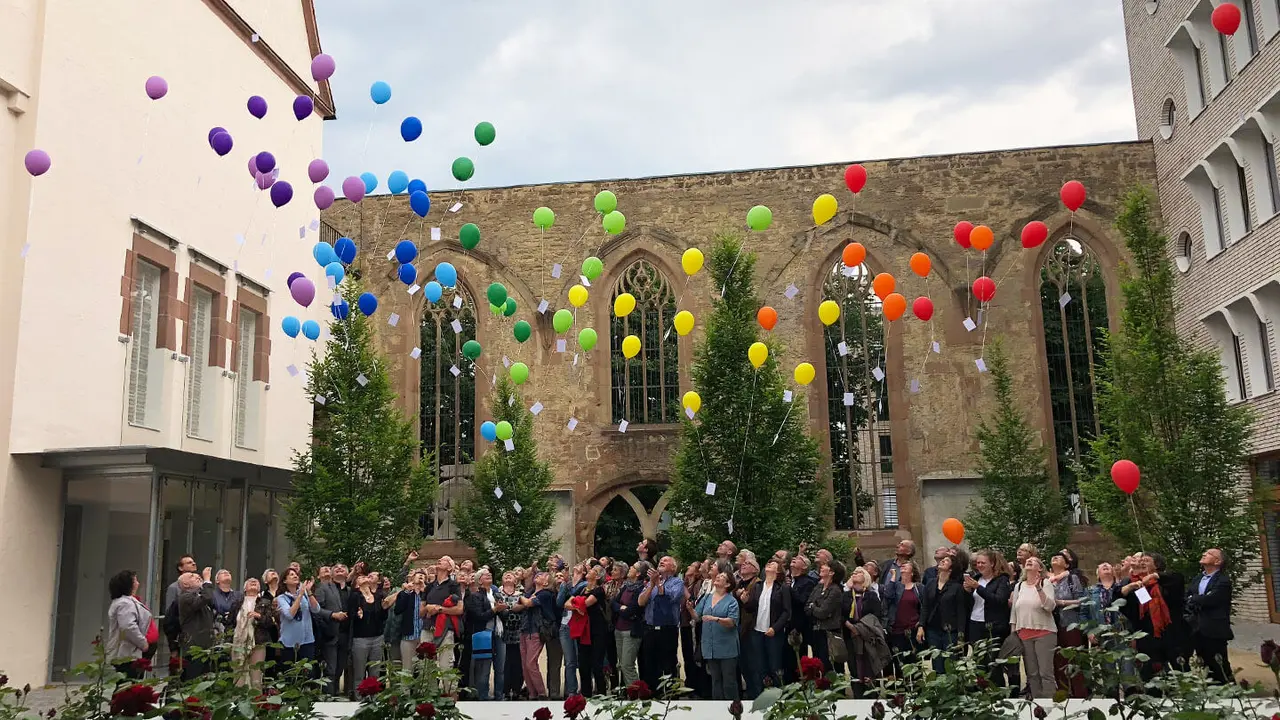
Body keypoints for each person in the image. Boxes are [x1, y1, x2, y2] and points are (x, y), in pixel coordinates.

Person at [1008, 557, 1057, 699]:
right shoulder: (1019, 586)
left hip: (1045, 633)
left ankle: (1051, 705)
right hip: (1024, 634)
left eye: (1033, 561)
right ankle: (1038, 706)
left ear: (1040, 568)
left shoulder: (1045, 583)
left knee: (1045, 672)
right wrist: (1013, 633)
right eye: (1027, 561)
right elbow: (1014, 612)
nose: (1029, 561)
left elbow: (1050, 607)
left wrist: (1038, 588)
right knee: (1032, 674)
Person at [964, 550, 1012, 687]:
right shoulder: (976, 578)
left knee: (992, 663)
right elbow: (970, 603)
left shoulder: (1002, 580)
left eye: (983, 563)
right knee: (978, 661)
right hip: (975, 623)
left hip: (993, 626)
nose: (979, 565)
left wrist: (978, 588)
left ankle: (998, 692)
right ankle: (982, 692)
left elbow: (999, 600)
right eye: (977, 563)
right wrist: (967, 591)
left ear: (992, 563)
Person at [1185, 548, 1234, 684]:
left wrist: (1194, 598)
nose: (1204, 554)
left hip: (1214, 629)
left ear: (1218, 561)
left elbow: (1211, 600)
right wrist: (1196, 598)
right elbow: (1187, 596)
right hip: (1197, 628)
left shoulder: (1223, 581)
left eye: (1209, 554)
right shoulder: (1197, 578)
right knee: (1204, 664)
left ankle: (1230, 691)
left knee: (1219, 664)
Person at [639, 556, 685, 690]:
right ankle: (652, 695)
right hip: (650, 629)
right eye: (660, 561)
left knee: (668, 664)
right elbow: (641, 602)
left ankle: (670, 697)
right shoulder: (651, 583)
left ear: (673, 567)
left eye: (666, 561)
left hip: (667, 629)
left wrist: (658, 583)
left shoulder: (677, 582)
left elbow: (670, 597)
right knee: (650, 665)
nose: (661, 562)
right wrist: (652, 585)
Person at [694, 571, 740, 701]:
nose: (718, 577)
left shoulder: (732, 601)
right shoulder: (707, 597)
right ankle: (718, 708)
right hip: (710, 646)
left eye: (722, 577)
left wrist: (716, 619)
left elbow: (732, 622)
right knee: (715, 680)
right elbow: (697, 616)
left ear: (728, 584)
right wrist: (690, 609)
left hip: (727, 647)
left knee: (729, 681)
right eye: (718, 576)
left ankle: (733, 708)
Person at [748, 559, 792, 694]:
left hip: (773, 632)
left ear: (778, 571)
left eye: (773, 564)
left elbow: (787, 612)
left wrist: (775, 628)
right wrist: (745, 601)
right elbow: (752, 608)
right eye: (768, 563)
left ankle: (778, 696)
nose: (768, 564)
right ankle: (761, 695)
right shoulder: (758, 586)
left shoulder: (782, 587)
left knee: (775, 666)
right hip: (757, 631)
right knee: (760, 666)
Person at [916, 553, 966, 673]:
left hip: (950, 630)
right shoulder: (931, 583)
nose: (942, 561)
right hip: (933, 629)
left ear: (951, 568)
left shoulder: (957, 587)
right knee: (936, 662)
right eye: (942, 559)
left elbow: (961, 612)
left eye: (947, 560)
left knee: (950, 662)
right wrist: (921, 626)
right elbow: (925, 607)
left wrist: (961, 635)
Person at [1049, 549, 1087, 698]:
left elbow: (1082, 600)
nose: (1055, 558)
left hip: (1071, 624)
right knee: (1058, 662)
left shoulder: (1072, 578)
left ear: (1066, 564)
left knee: (1074, 659)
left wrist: (1062, 602)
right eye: (1053, 556)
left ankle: (1080, 695)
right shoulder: (1047, 581)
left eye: (1059, 557)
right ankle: (1064, 695)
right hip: (1053, 626)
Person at [231, 577, 277, 689]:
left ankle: (256, 702)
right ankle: (238, 702)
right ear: (244, 588)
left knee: (256, 675)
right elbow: (230, 622)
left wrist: (259, 616)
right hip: (238, 643)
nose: (253, 582)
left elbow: (271, 622)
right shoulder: (237, 602)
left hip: (258, 641)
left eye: (256, 582)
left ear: (259, 588)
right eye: (250, 582)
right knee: (238, 673)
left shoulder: (265, 602)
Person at [106, 570, 152, 678]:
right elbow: (128, 627)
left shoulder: (125, 602)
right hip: (126, 652)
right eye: (135, 580)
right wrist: (142, 643)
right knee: (127, 685)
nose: (138, 583)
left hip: (129, 652)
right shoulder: (125, 603)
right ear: (129, 585)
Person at [519, 570, 557, 700]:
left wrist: (521, 597)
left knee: (531, 663)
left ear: (546, 582)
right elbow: (522, 603)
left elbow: (528, 603)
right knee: (524, 664)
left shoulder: (545, 593)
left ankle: (541, 693)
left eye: (542, 575)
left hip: (536, 631)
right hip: (524, 629)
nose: (538, 575)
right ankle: (532, 693)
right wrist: (524, 599)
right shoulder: (531, 593)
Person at [347, 571, 390, 684]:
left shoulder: (378, 595)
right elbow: (350, 615)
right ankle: (359, 699)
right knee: (359, 673)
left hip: (377, 638)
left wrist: (385, 609)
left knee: (375, 672)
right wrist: (357, 615)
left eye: (365, 576)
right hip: (360, 639)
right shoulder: (355, 595)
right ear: (356, 583)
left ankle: (373, 698)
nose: (364, 577)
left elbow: (383, 617)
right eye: (360, 578)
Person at [275, 567, 320, 672]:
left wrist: (308, 592)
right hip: (289, 643)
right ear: (285, 580)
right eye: (291, 574)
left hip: (307, 640)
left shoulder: (305, 594)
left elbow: (316, 609)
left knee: (308, 673)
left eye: (296, 574)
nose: (295, 576)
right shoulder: (282, 598)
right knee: (290, 673)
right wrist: (299, 595)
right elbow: (290, 614)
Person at [805, 559, 846, 672]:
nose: (822, 567)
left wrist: (813, 607)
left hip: (829, 633)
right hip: (817, 631)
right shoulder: (818, 587)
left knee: (830, 665)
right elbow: (807, 607)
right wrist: (814, 608)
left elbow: (823, 612)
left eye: (826, 566)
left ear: (832, 572)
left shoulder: (835, 590)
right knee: (819, 664)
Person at [178, 568, 219, 680]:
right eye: (192, 576)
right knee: (194, 680)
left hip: (206, 647)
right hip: (194, 648)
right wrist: (206, 580)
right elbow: (207, 597)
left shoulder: (198, 596)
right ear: (185, 584)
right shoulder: (185, 597)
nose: (197, 576)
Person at [882, 559, 921, 674]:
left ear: (912, 572)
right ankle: (901, 690)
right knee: (899, 662)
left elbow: (923, 607)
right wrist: (893, 577)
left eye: (906, 566)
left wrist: (921, 623)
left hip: (912, 630)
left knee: (913, 661)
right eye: (902, 566)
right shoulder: (896, 585)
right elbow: (887, 596)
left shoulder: (919, 587)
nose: (902, 567)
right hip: (896, 629)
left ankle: (916, 689)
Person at [612, 562, 647, 687]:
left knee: (628, 665)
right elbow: (613, 603)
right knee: (621, 665)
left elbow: (632, 610)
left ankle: (637, 694)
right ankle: (629, 692)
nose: (630, 568)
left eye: (633, 567)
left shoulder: (640, 589)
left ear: (638, 573)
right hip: (619, 629)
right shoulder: (626, 587)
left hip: (630, 631)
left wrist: (622, 609)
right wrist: (622, 607)